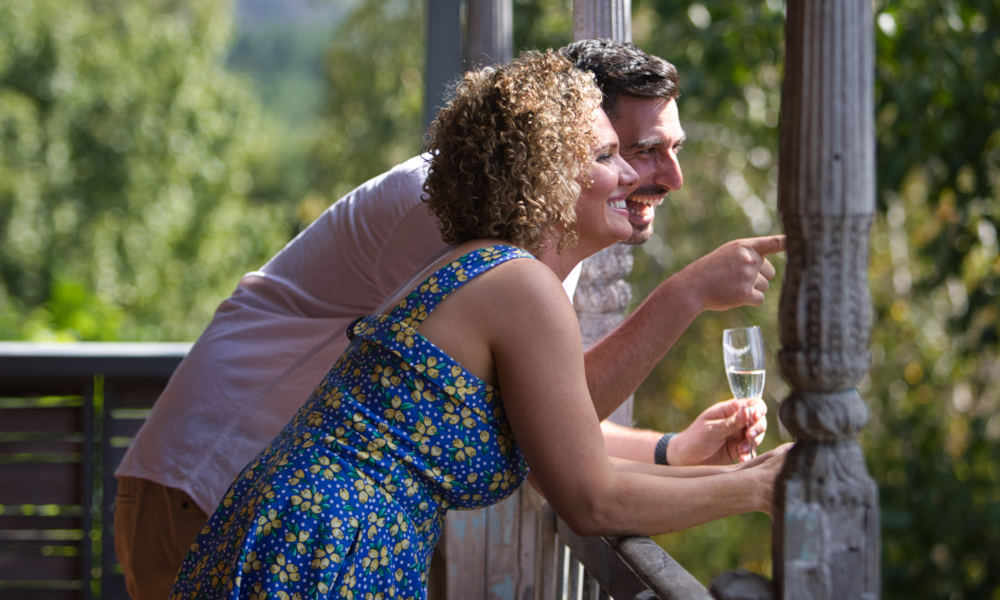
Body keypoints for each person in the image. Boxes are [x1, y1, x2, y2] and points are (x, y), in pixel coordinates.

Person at [114, 39, 784, 598]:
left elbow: (533, 419)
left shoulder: (506, 261)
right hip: (239, 497)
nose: (658, 179)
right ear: (547, 163)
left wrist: (674, 454)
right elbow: (585, 491)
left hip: (306, 523)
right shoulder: (496, 264)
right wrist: (753, 484)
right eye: (620, 154)